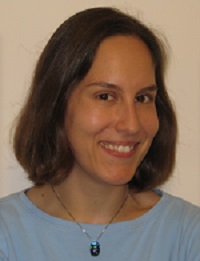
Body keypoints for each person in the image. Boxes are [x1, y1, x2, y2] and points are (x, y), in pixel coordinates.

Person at [0, 7, 199, 261]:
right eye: (105, 96)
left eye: (142, 98)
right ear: (56, 104)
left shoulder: (188, 236)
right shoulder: (7, 235)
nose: (131, 124)